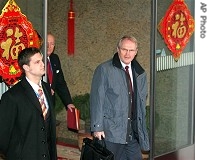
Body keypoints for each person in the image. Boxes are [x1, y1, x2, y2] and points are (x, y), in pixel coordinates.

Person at [90, 35, 150, 160]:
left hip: (132, 133)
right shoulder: (104, 70)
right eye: (124, 49)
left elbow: (140, 104)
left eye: (131, 50)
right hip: (112, 132)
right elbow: (97, 100)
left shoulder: (140, 73)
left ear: (136, 52)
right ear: (118, 49)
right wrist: (97, 127)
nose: (128, 54)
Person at [0, 47, 57, 160]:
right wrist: (17, 153)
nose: (42, 64)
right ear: (26, 67)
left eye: (41, 60)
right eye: (37, 62)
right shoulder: (12, 96)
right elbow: (3, 135)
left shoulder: (46, 88)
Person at [47, 33, 75, 111]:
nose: (49, 47)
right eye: (47, 43)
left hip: (50, 104)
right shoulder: (35, 60)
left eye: (52, 44)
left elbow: (60, 83)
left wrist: (68, 102)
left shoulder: (55, 59)